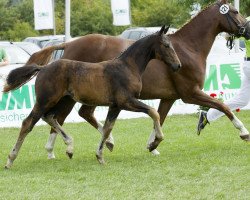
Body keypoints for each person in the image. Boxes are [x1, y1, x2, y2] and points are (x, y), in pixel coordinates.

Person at [197, 20, 250, 134]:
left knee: (242, 100)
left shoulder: (246, 20)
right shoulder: (246, 21)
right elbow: (227, 36)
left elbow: (227, 36)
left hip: (247, 64)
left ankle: (208, 115)